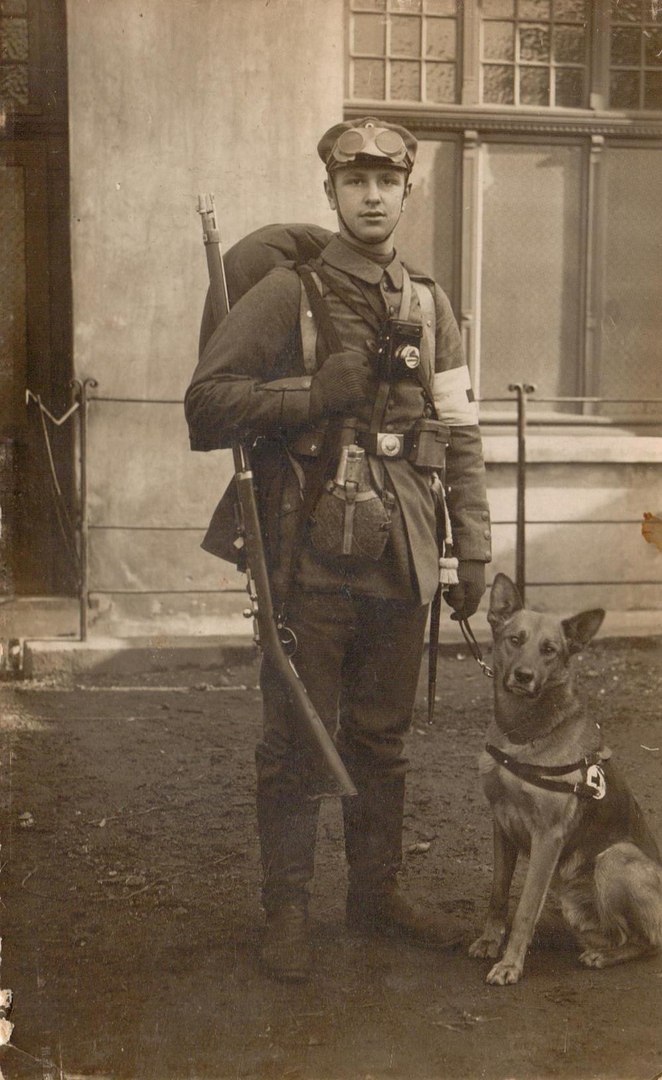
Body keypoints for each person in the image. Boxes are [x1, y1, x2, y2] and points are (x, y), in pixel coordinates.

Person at [185, 117, 492, 983]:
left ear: (407, 192)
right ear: (330, 192)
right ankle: (287, 910)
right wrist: (310, 394)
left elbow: (460, 432)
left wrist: (473, 547)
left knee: (383, 737)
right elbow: (206, 404)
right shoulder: (290, 293)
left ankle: (376, 896)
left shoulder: (430, 303)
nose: (372, 197)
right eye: (354, 182)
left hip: (404, 550)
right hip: (309, 549)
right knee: (296, 735)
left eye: (387, 182)